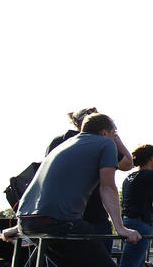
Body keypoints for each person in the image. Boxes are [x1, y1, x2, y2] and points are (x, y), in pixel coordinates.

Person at [2, 113, 140, 267]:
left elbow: (44, 189)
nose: (115, 137)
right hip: (60, 221)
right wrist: (120, 228)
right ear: (104, 133)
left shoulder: (65, 145)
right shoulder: (105, 143)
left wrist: (19, 227)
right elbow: (107, 187)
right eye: (114, 133)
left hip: (28, 220)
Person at [45, 107, 132, 255]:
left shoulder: (59, 142)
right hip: (92, 213)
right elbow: (126, 165)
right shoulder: (102, 143)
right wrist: (119, 227)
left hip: (56, 215)